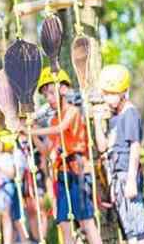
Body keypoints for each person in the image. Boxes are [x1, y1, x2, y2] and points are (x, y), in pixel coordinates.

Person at [29, 68, 102, 244]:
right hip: (62, 175)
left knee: (86, 221)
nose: (49, 99)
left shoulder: (72, 111)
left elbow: (61, 128)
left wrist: (34, 128)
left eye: (52, 93)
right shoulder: (53, 119)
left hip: (78, 172)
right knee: (63, 221)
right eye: (46, 96)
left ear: (63, 90)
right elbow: (47, 150)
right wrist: (31, 134)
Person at [93, 64, 144, 244]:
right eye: (106, 93)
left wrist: (132, 179)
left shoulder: (130, 113)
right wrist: (97, 121)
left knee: (138, 228)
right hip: (116, 177)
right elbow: (103, 147)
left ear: (123, 92)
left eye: (112, 94)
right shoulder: (114, 117)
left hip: (127, 174)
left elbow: (135, 146)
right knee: (129, 230)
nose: (108, 98)